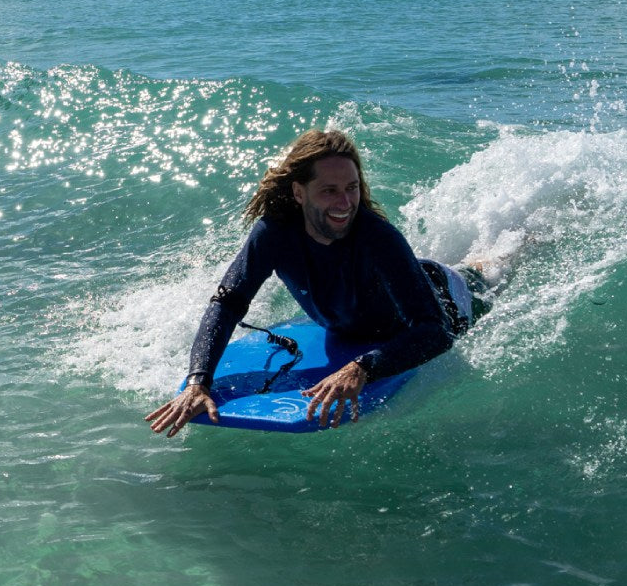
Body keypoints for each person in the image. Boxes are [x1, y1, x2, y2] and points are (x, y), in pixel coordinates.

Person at [145, 129, 493, 437]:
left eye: (352, 188)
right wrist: (199, 380)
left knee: (491, 275)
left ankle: (511, 250)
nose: (345, 203)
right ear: (299, 192)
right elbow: (228, 302)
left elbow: (435, 331)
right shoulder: (275, 233)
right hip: (365, 313)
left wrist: (362, 368)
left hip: (449, 297)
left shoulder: (378, 239)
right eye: (329, 190)